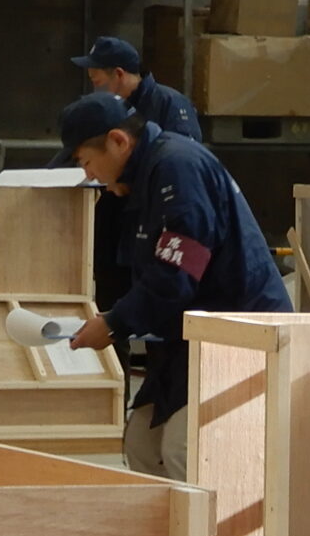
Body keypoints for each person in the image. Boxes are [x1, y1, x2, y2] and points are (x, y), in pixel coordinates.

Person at [60, 91, 289, 480]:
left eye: (86, 161)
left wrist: (115, 322)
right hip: (191, 338)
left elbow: (175, 274)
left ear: (118, 141)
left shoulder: (177, 168)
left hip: (239, 334)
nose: (90, 175)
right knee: (142, 446)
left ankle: (216, 522)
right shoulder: (150, 173)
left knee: (185, 450)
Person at [72, 36, 201, 144]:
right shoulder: (109, 109)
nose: (95, 89)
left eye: (97, 82)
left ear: (119, 74)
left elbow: (185, 156)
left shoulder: (170, 104)